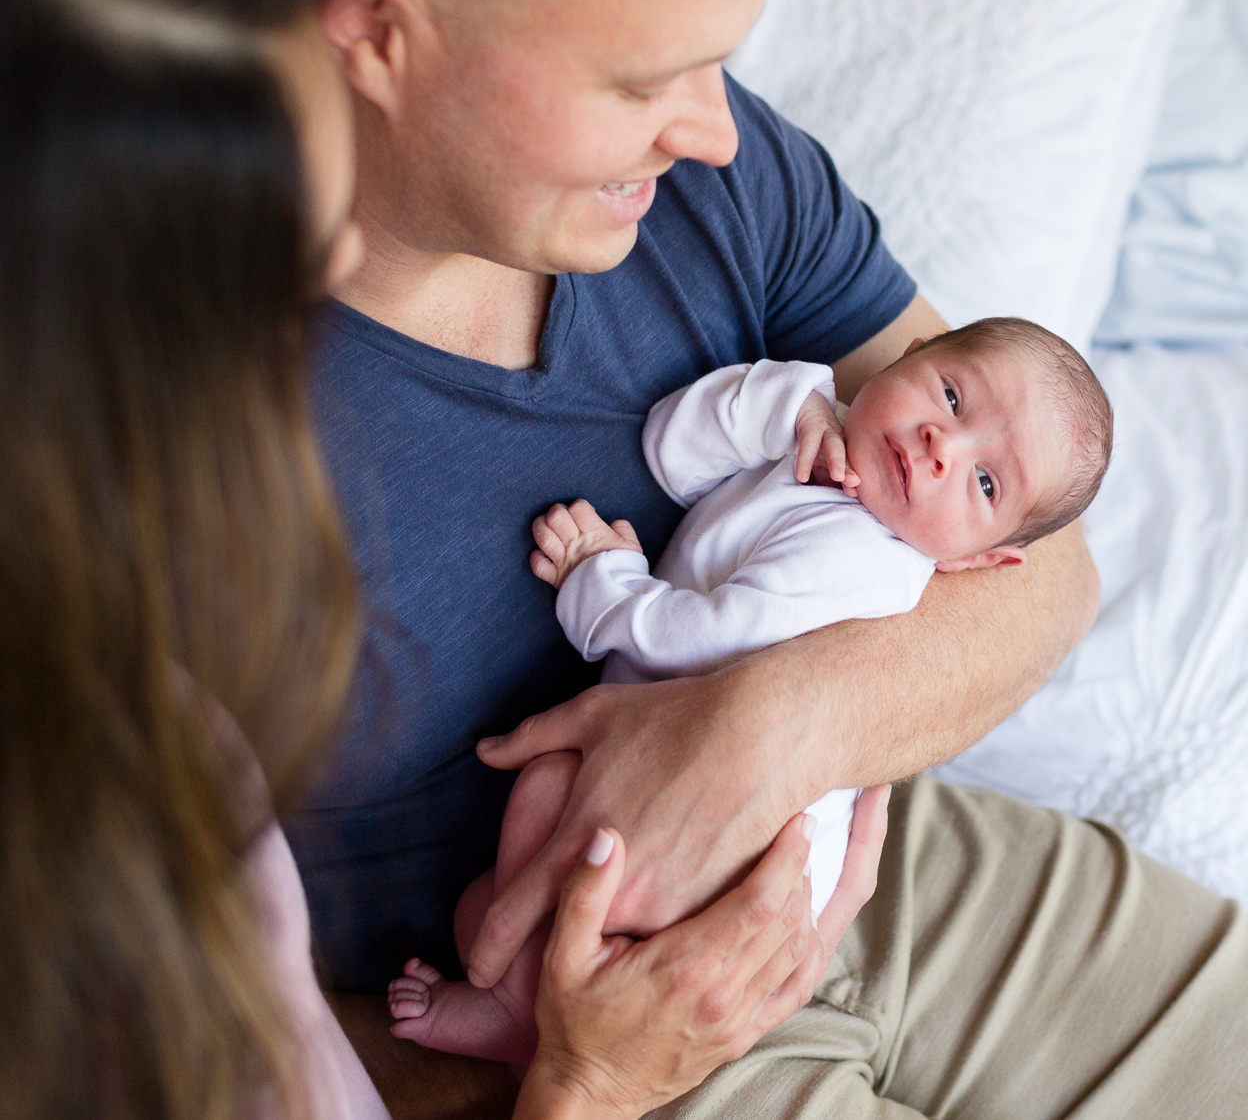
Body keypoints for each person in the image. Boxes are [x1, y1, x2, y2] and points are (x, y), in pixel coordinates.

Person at [259, 0, 1248, 1114]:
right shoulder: (154, 435)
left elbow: (1043, 568)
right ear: (374, 31)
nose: (713, 125)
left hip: (867, 858)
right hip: (554, 1021)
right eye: (641, 77)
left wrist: (766, 734)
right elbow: (172, 1032)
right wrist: (585, 1078)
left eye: (717, 57)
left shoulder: (715, 172)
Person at [0, 0, 880, 1116]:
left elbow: (1039, 517)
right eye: (292, 259)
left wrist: (770, 729)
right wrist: (589, 1082)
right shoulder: (117, 768)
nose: (336, 289)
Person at [389, 317, 1114, 1065]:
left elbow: (702, 641)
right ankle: (532, 991)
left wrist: (597, 580)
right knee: (506, 881)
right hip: (674, 774)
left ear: (980, 560)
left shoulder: (861, 557)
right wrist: (793, 405)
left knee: (535, 813)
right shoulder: (817, 441)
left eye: (985, 481)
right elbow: (670, 447)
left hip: (735, 856)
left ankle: (518, 1009)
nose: (942, 445)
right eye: (953, 395)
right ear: (908, 355)